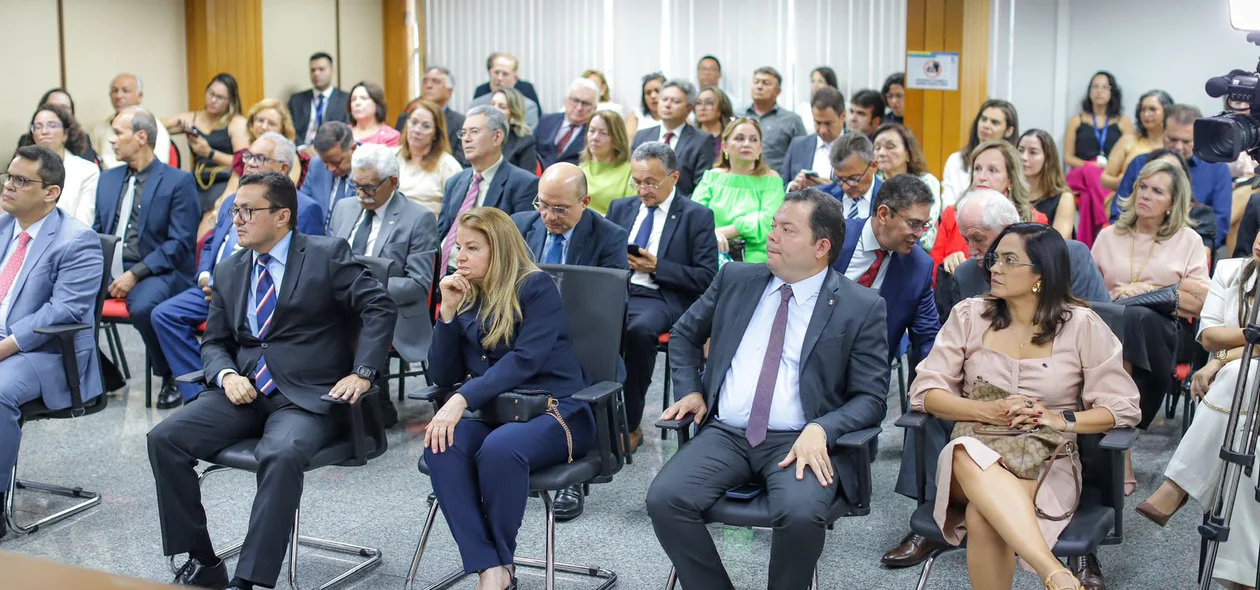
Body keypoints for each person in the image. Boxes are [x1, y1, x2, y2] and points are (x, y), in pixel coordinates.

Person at [148, 171, 396, 590]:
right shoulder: (229, 270)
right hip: (243, 392)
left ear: (282, 216)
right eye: (234, 210)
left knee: (279, 454)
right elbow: (214, 343)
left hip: (307, 398)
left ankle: (250, 580)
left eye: (248, 211)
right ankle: (204, 560)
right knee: (164, 438)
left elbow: (379, 306)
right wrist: (225, 375)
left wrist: (363, 371)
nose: (236, 220)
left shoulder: (325, 254)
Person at [646, 188, 890, 590]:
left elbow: (871, 399)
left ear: (821, 246)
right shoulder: (736, 278)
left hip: (798, 439)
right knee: (665, 499)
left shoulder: (859, 306)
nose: (772, 235)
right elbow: (685, 334)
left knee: (799, 515)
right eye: (774, 225)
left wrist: (823, 429)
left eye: (787, 229)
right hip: (726, 432)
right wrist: (690, 390)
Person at [886, 191, 1116, 586]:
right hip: (972, 449)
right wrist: (986, 411)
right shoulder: (969, 315)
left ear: (1041, 274)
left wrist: (1054, 417)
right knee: (964, 450)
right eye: (996, 258)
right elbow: (925, 392)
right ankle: (1054, 573)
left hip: (1046, 458)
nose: (994, 267)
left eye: (1010, 260)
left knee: (983, 516)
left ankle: (1054, 573)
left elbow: (1117, 409)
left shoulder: (1082, 326)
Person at [424, 206, 594, 590]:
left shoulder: (535, 287)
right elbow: (441, 375)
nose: (460, 257)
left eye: (472, 248)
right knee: (440, 447)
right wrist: (447, 314)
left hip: (558, 409)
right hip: (497, 412)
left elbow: (524, 361)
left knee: (500, 449)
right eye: (458, 249)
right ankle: (493, 567)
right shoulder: (465, 291)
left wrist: (460, 400)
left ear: (498, 250)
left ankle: (498, 564)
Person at [150, 132, 326, 408]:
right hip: (214, 284)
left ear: (283, 168)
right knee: (163, 314)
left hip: (259, 287)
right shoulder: (233, 199)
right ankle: (206, 389)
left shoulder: (304, 208)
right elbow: (210, 244)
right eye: (248, 157)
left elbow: (306, 264)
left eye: (259, 158)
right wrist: (206, 275)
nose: (250, 164)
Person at [1137, 242, 1260, 590]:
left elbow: (1219, 347)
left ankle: (1177, 485)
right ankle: (1240, 580)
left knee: (1243, 375)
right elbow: (1208, 336)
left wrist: (1224, 359)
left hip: (1234, 382)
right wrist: (1247, 345)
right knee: (1244, 452)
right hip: (1240, 402)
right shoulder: (1230, 271)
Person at [0, 146, 104, 538]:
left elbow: (63, 311)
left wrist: (6, 347)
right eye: (8, 177)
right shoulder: (3, 226)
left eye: (21, 180)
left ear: (51, 192)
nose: (9, 186)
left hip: (45, 351)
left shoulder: (77, 241)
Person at [1093, 159, 1211, 494]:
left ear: (1172, 203)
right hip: (1107, 333)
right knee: (1119, 322)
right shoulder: (1108, 235)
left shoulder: (1187, 239)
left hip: (1165, 334)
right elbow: (1087, 295)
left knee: (1134, 318)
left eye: (1156, 191)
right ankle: (1120, 443)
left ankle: (1119, 446)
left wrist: (1146, 293)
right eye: (1142, 187)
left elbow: (1200, 302)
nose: (1145, 195)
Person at [606, 142, 718, 453]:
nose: (643, 189)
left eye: (651, 182)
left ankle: (628, 423)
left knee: (638, 331)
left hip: (662, 296)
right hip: (619, 290)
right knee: (583, 324)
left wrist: (659, 267)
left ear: (674, 177)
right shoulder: (621, 208)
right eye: (637, 181)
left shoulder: (696, 216)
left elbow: (707, 277)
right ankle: (589, 420)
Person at [94, 106, 200, 405]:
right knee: (62, 300)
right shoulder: (108, 179)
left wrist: (135, 273)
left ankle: (171, 375)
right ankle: (103, 376)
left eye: (118, 133)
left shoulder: (178, 181)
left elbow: (180, 243)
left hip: (158, 270)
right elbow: (98, 231)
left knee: (144, 307)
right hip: (110, 269)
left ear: (141, 137)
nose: (112, 141)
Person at [331, 143, 438, 378]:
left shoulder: (418, 218)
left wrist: (365, 292)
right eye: (356, 186)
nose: (360, 194)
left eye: (368, 187)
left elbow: (419, 283)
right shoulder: (343, 208)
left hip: (386, 308)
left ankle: (376, 408)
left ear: (393, 182)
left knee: (365, 335)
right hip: (339, 306)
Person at [833, 175, 939, 364]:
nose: (919, 234)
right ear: (883, 214)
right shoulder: (836, 237)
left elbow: (927, 337)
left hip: (867, 371)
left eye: (924, 225)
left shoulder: (918, 266)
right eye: (914, 224)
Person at [1112, 104, 1232, 248]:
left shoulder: (1217, 169)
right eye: (1173, 139)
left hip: (1191, 250)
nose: (1178, 147)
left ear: (1199, 138)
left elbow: (1220, 225)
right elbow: (1119, 212)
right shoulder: (1140, 164)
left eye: (1187, 141)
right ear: (1162, 131)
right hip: (1136, 244)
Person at [437, 106, 538, 275]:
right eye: (463, 133)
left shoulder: (523, 184)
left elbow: (516, 249)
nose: (466, 139)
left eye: (474, 132)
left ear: (497, 137)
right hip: (442, 274)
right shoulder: (455, 182)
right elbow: (440, 235)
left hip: (485, 278)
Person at [934, 140, 1046, 274]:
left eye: (992, 170)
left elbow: (1038, 273)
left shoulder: (1034, 220)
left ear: (1011, 178)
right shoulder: (952, 214)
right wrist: (947, 263)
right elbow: (933, 273)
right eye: (977, 169)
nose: (981, 177)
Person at [692, 118, 786, 263]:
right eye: (739, 138)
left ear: (760, 148)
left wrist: (723, 232)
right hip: (711, 252)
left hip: (756, 258)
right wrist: (711, 235)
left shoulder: (771, 179)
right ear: (724, 146)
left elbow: (769, 220)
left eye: (753, 140)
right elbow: (695, 216)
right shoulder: (713, 177)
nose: (747, 144)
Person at [213, 99, 307, 241]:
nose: (264, 126)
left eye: (271, 123)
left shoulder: (289, 156)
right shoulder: (245, 154)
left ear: (282, 128)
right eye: (260, 120)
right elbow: (231, 190)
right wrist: (218, 210)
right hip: (238, 213)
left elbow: (283, 192)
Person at [511, 162, 627, 270]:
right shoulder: (518, 226)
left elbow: (610, 290)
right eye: (544, 205)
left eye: (560, 209)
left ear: (584, 202)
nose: (550, 216)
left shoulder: (609, 237)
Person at [163, 73, 250, 214]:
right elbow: (154, 126)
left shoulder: (237, 123)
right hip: (196, 179)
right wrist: (177, 126)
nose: (213, 100)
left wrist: (210, 153)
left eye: (220, 97)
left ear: (231, 101)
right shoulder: (193, 117)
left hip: (224, 180)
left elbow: (244, 163)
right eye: (211, 94)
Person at [631, 79, 715, 196]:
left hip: (683, 208)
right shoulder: (642, 135)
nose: (667, 105)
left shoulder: (702, 140)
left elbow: (701, 187)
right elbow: (633, 178)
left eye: (675, 101)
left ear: (689, 109)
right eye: (664, 100)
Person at [940, 99, 1019, 212]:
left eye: (994, 122)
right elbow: (947, 207)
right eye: (984, 119)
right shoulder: (956, 160)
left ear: (1009, 131)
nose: (986, 125)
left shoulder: (1015, 163)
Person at [872, 123, 941, 249]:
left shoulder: (926, 182)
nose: (881, 153)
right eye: (877, 148)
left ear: (908, 153)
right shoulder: (873, 182)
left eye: (890, 146)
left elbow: (925, 234)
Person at [25, 104, 96, 225]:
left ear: (66, 134)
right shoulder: (22, 167)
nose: (44, 131)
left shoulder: (87, 170)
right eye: (38, 126)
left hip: (69, 239)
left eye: (52, 125)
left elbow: (84, 222)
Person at [92, 73, 173, 170]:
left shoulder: (155, 127)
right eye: (114, 91)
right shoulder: (99, 129)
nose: (119, 95)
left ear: (139, 96)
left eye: (125, 91)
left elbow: (159, 169)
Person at [396, 100, 463, 217]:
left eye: (426, 126)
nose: (417, 130)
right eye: (414, 122)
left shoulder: (448, 166)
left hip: (429, 231)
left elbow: (457, 213)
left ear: (436, 134)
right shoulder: (393, 157)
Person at [1101, 90, 1173, 190]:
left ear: (1167, 112)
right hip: (1124, 200)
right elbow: (1105, 178)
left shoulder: (1173, 144)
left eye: (1152, 109)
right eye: (1143, 110)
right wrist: (1123, 182)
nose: (1146, 114)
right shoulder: (1128, 140)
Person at [1063, 71, 1132, 170]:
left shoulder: (1124, 122)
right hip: (1083, 174)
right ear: (1089, 91)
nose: (1099, 91)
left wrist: (1109, 168)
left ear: (1112, 92)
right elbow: (1068, 158)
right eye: (1095, 86)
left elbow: (1129, 157)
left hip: (1110, 175)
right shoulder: (1076, 120)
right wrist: (1089, 165)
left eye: (1105, 87)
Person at [742, 66, 807, 172]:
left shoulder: (792, 120)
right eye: (756, 82)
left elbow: (803, 156)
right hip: (739, 179)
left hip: (775, 181)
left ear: (778, 91)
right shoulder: (738, 115)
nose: (759, 86)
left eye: (765, 83)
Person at [782, 86, 846, 192]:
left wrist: (833, 187)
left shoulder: (856, 147)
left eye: (828, 123)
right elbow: (781, 186)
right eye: (818, 123)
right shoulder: (797, 145)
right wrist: (793, 186)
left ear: (842, 116)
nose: (823, 130)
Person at [399, 66, 465, 167]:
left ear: (449, 91)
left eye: (436, 81)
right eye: (425, 81)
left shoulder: (460, 123)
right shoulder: (404, 119)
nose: (428, 85)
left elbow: (463, 165)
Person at [300, 121, 359, 232]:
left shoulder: (369, 169)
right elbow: (303, 207)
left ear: (353, 148)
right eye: (325, 162)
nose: (330, 168)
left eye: (336, 162)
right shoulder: (316, 165)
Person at [14, 88, 99, 164]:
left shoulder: (83, 140)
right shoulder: (26, 140)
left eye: (64, 108)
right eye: (52, 107)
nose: (58, 111)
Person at [1020, 129, 1077, 239]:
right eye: (1021, 150)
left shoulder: (1064, 198)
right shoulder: (1009, 192)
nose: (1024, 157)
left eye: (1033, 152)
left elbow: (1057, 244)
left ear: (1048, 159)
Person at [580, 110, 636, 214]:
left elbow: (629, 213)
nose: (595, 138)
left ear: (616, 138)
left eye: (603, 133)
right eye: (591, 131)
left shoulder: (630, 172)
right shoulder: (579, 171)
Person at [287, 52, 350, 147]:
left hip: (332, 152)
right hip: (301, 152)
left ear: (332, 71)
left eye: (321, 69)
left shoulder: (345, 100)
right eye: (313, 70)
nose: (316, 73)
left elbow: (346, 132)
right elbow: (289, 129)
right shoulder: (296, 100)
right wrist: (302, 148)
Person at [535, 78, 599, 170]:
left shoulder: (595, 133)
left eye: (585, 103)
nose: (579, 107)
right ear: (566, 100)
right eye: (575, 100)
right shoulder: (546, 121)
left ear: (594, 108)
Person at [470, 52, 541, 128]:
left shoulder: (528, 105)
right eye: (496, 72)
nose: (499, 78)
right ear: (490, 73)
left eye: (505, 74)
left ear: (515, 77)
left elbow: (529, 134)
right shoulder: (477, 103)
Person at [822, 133, 882, 221]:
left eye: (853, 179)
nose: (845, 187)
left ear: (873, 166)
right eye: (839, 179)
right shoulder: (821, 200)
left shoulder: (892, 200)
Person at [488, 87, 539, 171]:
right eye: (492, 104)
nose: (494, 109)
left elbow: (527, 178)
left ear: (513, 114)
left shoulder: (524, 141)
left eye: (502, 107)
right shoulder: (479, 135)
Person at [583, 69, 637, 137]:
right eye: (587, 85)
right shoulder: (577, 109)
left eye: (594, 84)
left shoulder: (613, 109)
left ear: (603, 88)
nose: (590, 88)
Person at [347, 81, 400, 147]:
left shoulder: (390, 136)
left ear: (377, 103)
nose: (357, 103)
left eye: (364, 98)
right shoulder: (342, 133)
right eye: (353, 99)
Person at [694, 86, 734, 160]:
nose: (702, 108)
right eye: (698, 103)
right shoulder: (689, 137)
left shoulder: (731, 138)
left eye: (709, 103)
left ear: (722, 107)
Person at [795, 66, 838, 133]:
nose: (815, 85)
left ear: (830, 84)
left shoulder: (840, 108)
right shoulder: (803, 108)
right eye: (813, 81)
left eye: (820, 81)